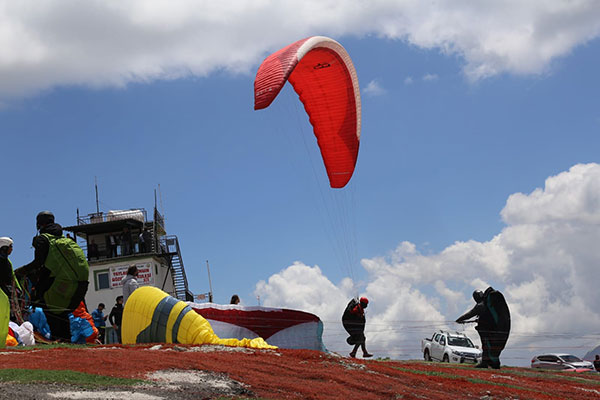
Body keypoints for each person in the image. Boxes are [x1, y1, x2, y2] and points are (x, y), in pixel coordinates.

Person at [15, 211, 89, 342]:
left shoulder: (43, 239)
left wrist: (21, 271)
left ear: (39, 224)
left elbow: (38, 264)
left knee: (49, 309)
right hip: (81, 286)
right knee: (61, 313)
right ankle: (66, 342)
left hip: (62, 284)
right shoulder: (65, 240)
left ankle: (59, 340)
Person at [456, 287, 511, 369]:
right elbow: (487, 317)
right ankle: (493, 363)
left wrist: (459, 319)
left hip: (487, 331)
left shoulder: (481, 305)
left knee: (486, 346)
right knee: (490, 347)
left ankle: (486, 363)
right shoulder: (488, 305)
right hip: (492, 329)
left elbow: (470, 314)